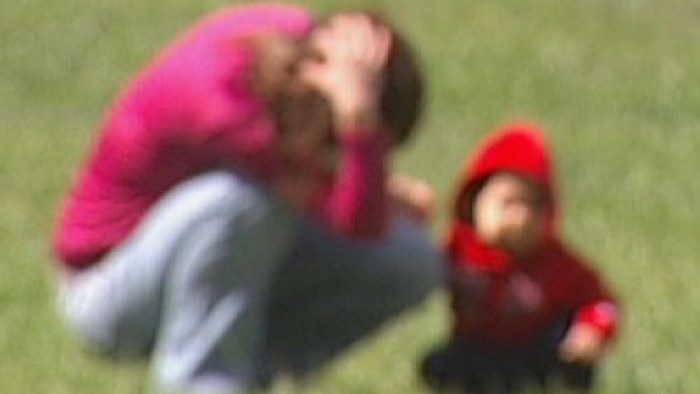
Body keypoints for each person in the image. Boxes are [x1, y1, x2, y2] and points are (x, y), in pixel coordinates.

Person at [51, 3, 441, 393]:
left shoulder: (291, 44)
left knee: (411, 260)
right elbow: (352, 214)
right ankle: (203, 383)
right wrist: (357, 119)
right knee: (240, 202)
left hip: (212, 258)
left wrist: (362, 148)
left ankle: (244, 377)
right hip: (108, 290)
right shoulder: (225, 103)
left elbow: (362, 227)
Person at [420, 123, 620, 393]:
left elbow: (601, 303)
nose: (520, 218)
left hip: (535, 350)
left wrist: (593, 330)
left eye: (533, 206)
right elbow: (419, 274)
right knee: (441, 366)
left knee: (570, 364)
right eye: (508, 203)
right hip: (479, 348)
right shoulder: (459, 253)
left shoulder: (557, 262)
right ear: (475, 203)